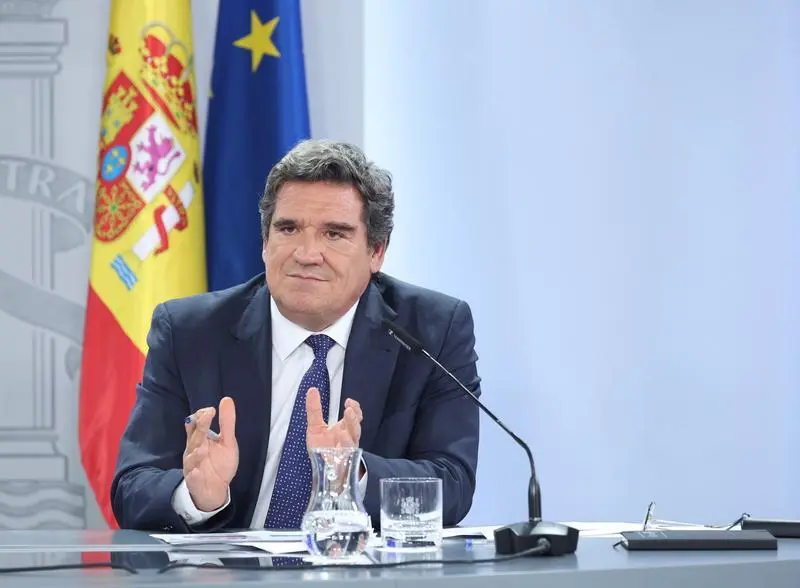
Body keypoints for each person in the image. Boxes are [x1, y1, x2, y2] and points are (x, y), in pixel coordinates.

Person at [110, 139, 481, 533]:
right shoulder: (190, 332)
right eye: (288, 229)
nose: (306, 254)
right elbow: (133, 484)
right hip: (225, 567)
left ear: (376, 252)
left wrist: (352, 472)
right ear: (265, 243)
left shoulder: (432, 331)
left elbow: (452, 483)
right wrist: (196, 495)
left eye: (334, 234)